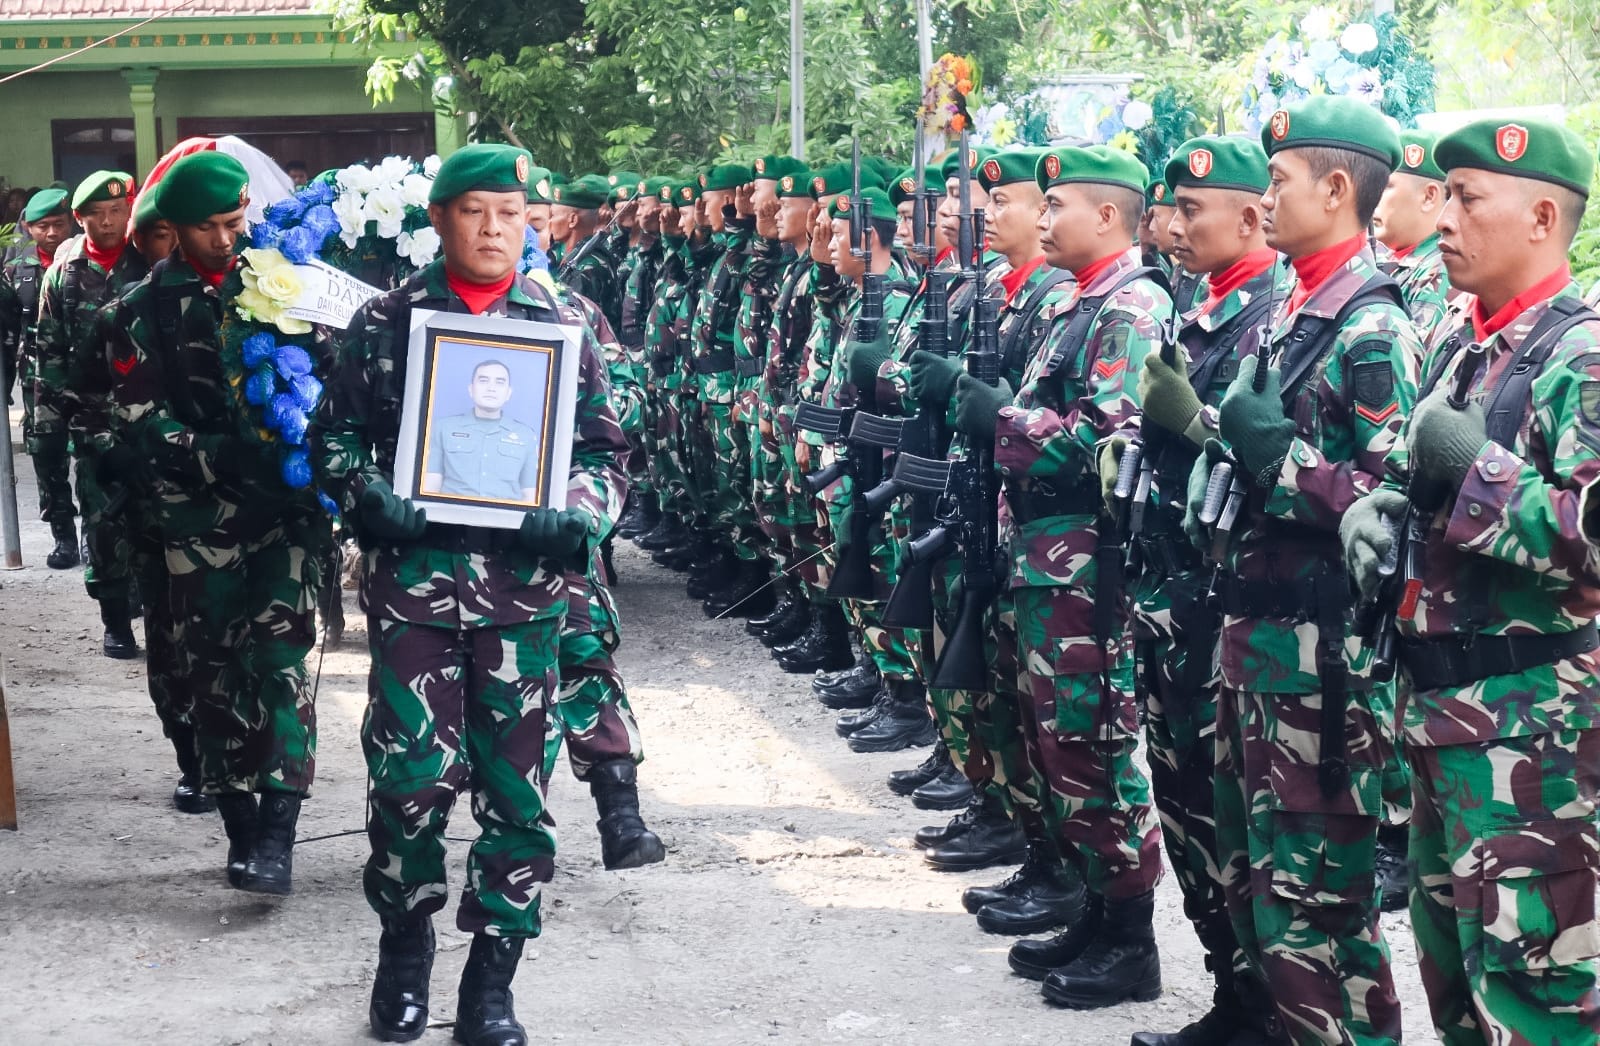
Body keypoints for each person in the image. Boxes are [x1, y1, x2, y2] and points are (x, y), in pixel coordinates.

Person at [316, 142, 626, 1046]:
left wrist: (577, 512)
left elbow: (606, 452)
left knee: (515, 797)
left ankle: (493, 977)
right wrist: (366, 498)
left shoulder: (564, 320)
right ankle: (404, 949)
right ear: (440, 220)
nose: (494, 229)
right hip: (416, 593)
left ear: (528, 219)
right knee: (408, 785)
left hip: (524, 601)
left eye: (509, 211)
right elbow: (336, 439)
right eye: (473, 212)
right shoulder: (388, 322)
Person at [1350, 116, 1600, 1046]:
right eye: (1443, 195)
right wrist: (1381, 501)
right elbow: (1426, 477)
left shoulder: (1583, 355)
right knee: (1455, 983)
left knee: (1537, 996)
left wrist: (1476, 472)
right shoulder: (1469, 346)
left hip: (1534, 739)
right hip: (1446, 719)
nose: (1441, 218)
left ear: (1541, 216)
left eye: (1466, 198)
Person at [1190, 96, 1417, 1044]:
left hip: (1320, 668)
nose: (1266, 196)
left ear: (1336, 189)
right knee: (1250, 884)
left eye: (1279, 182)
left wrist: (1271, 456)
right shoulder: (1288, 311)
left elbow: (1388, 508)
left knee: (1319, 908)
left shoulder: (1371, 329)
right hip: (1256, 645)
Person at [947, 144, 1168, 1010]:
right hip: (1046, 558)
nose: (1041, 219)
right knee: (1057, 743)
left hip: (1088, 566)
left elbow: (1104, 438)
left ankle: (1130, 936)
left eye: (1057, 205)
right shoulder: (1083, 303)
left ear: (1107, 217)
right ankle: (1093, 904)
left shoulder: (1131, 306)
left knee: (1095, 747)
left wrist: (997, 413)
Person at [107, 151, 329, 896]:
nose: (228, 240)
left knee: (279, 664)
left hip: (283, 519)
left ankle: (278, 829)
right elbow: (138, 422)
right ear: (173, 230)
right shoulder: (138, 311)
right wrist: (218, 454)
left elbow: (334, 376)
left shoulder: (283, 287)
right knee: (211, 675)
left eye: (237, 223)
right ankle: (237, 818)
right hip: (195, 521)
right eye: (210, 229)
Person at [1129, 135, 1291, 1046]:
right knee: (1188, 809)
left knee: (1235, 826)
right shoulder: (1199, 308)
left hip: (1227, 601)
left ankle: (1264, 1008)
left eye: (1193, 210)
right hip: (1173, 595)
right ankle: (1234, 997)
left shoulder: (1273, 313)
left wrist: (1192, 427)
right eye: (1173, 210)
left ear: (1249, 214)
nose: (1177, 226)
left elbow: (1266, 466)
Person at [33, 171, 150, 660]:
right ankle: (115, 621)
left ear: (128, 212)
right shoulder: (62, 273)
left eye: (116, 212)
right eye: (96, 215)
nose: (108, 222)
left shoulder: (150, 262)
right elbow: (50, 354)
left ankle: (156, 610)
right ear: (80, 219)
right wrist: (64, 423)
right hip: (93, 424)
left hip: (152, 422)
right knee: (103, 524)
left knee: (156, 520)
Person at [0, 188, 79, 565]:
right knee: (47, 455)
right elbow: (6, 329)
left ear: (71, 221)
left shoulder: (87, 256)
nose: (51, 233)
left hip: (91, 372)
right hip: (38, 378)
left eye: (57, 224)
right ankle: (63, 535)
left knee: (97, 454)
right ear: (28, 227)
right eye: (42, 226)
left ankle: (99, 537)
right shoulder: (15, 267)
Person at [1372, 128, 1455, 339]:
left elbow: (1414, 363)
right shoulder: (1388, 259)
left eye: (1384, 187)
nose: (1372, 198)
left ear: (1428, 197)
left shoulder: (1440, 269)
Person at [422, 358, 542, 502]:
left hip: (505, 520)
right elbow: (431, 485)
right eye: (484, 380)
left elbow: (529, 493)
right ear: (471, 389)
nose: (491, 388)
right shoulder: (442, 428)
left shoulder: (526, 436)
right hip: (451, 516)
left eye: (500, 382)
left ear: (508, 393)